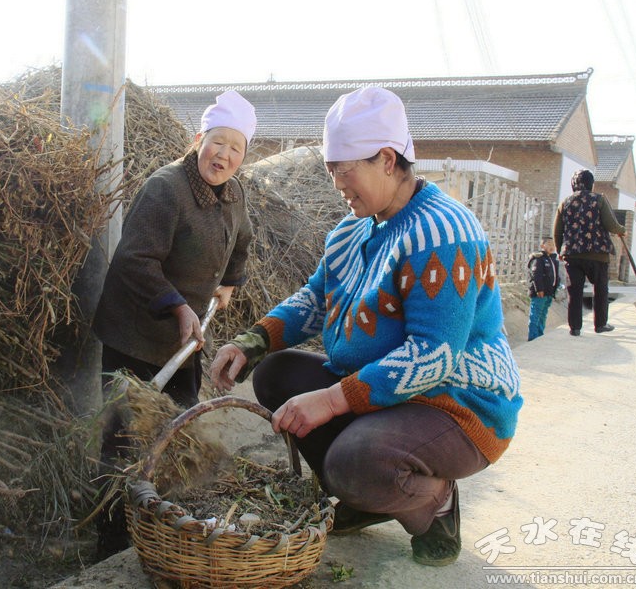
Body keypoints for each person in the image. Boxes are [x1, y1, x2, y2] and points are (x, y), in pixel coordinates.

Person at [209, 87, 522, 567]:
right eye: (332, 170)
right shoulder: (354, 228)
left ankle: (431, 503)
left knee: (353, 464)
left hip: (455, 404)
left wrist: (332, 399)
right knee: (276, 375)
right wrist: (254, 341)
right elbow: (316, 299)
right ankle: (362, 495)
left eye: (344, 169)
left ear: (388, 160)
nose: (336, 183)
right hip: (387, 390)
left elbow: (433, 356)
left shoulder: (442, 233)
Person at [91, 90, 256, 559]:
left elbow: (242, 238)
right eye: (217, 142)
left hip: (184, 344)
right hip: (135, 334)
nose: (223, 154)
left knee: (176, 433)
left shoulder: (235, 194)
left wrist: (229, 281)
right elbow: (134, 260)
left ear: (243, 157)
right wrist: (179, 306)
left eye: (236, 148)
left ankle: (162, 528)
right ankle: (111, 542)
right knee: (123, 440)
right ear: (199, 138)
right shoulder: (167, 189)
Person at [553, 169, 626, 336]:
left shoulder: (565, 203)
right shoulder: (599, 200)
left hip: (572, 255)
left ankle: (575, 328)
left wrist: (560, 251)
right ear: (591, 184)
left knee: (575, 291)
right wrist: (622, 230)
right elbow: (611, 225)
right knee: (600, 289)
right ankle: (600, 324)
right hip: (597, 255)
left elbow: (557, 231)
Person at [527, 236, 560, 341]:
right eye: (549, 244)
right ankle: (533, 337)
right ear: (542, 246)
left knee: (543, 314)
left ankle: (540, 335)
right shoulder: (539, 258)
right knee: (536, 314)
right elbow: (536, 275)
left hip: (549, 293)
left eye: (553, 245)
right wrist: (539, 289)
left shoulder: (553, 259)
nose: (552, 247)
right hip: (540, 293)